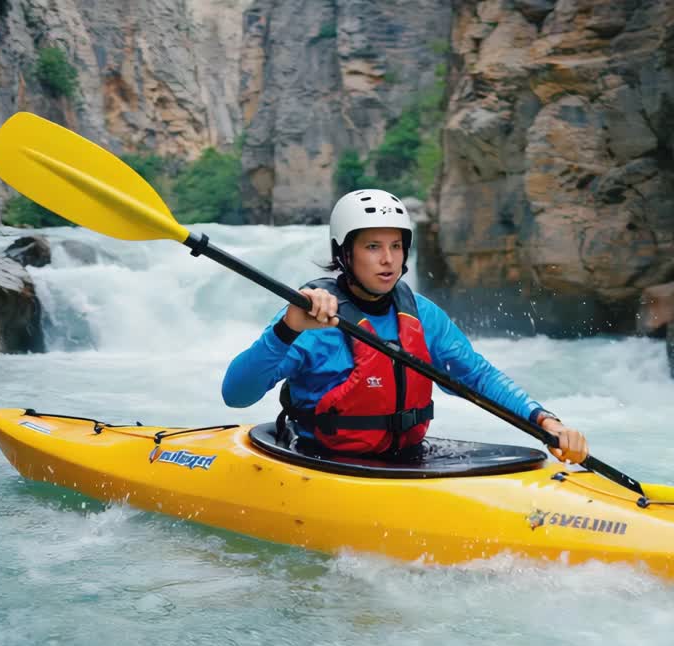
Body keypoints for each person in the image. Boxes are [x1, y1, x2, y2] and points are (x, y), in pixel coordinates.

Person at [221, 188, 588, 462]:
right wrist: (287, 329)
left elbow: (477, 376)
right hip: (323, 460)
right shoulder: (311, 316)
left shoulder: (422, 315)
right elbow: (236, 395)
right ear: (344, 253)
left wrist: (544, 420)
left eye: (396, 246)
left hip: (406, 459)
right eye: (373, 247)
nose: (388, 260)